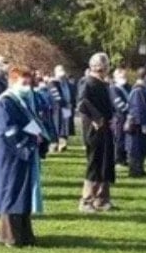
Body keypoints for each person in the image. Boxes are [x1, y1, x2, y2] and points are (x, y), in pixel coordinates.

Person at [0, 66, 50, 247]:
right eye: (24, 83)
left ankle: (25, 234)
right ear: (13, 82)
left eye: (29, 83)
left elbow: (30, 122)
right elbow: (8, 129)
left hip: (25, 153)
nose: (27, 87)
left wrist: (39, 136)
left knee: (23, 192)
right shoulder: (4, 102)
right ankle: (9, 236)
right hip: (10, 154)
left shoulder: (22, 101)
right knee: (11, 191)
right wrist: (27, 142)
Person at [78, 53, 116, 213]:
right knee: (95, 163)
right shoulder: (87, 82)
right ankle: (87, 200)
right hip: (94, 129)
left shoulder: (103, 84)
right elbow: (82, 103)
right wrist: (97, 118)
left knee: (106, 162)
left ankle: (102, 198)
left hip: (106, 128)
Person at [126, 68, 146, 178]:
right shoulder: (138, 91)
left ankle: (140, 169)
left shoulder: (141, 90)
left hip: (138, 125)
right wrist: (143, 124)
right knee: (135, 148)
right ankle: (135, 171)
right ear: (145, 77)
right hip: (136, 125)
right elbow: (139, 109)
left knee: (141, 147)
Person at [49, 65, 75, 152]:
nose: (62, 76)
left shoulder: (66, 83)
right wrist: (63, 103)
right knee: (57, 125)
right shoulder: (52, 83)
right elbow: (56, 96)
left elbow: (71, 94)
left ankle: (63, 143)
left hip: (67, 108)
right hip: (57, 108)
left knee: (66, 125)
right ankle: (55, 144)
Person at [109, 69, 131, 169]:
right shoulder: (114, 88)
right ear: (116, 77)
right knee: (118, 138)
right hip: (118, 117)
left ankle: (123, 158)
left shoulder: (126, 87)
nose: (124, 78)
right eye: (122, 76)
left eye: (124, 76)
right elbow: (118, 103)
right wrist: (128, 109)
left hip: (126, 116)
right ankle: (117, 159)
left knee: (124, 138)